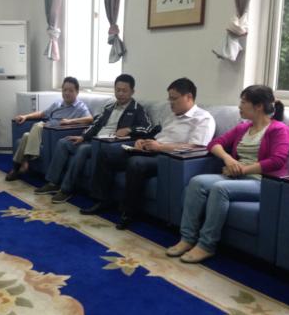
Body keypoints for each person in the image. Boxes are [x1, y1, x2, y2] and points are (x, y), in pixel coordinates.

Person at [166, 85, 289, 263]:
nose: (239, 106)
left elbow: (277, 160)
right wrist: (228, 159)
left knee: (220, 188)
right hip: (237, 176)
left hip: (262, 182)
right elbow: (215, 144)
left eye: (244, 102)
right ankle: (187, 238)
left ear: (258, 106)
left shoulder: (279, 129)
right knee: (197, 182)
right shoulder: (243, 128)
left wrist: (241, 169)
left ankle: (206, 245)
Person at [81, 77, 216, 231]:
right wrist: (143, 141)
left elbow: (196, 147)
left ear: (189, 97)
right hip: (153, 148)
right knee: (107, 153)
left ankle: (128, 212)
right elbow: (157, 134)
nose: (170, 103)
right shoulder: (172, 115)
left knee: (136, 163)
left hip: (169, 158)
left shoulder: (203, 118)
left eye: (174, 99)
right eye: (169, 98)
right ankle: (102, 200)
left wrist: (161, 147)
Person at [34, 74, 152, 203]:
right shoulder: (109, 107)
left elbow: (148, 128)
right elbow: (95, 125)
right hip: (94, 139)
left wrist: (129, 129)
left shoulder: (137, 109)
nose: (120, 94)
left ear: (132, 92)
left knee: (83, 149)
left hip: (107, 145)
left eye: (124, 91)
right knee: (64, 142)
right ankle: (52, 183)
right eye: (118, 90)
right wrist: (82, 137)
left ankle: (66, 189)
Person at [6, 77, 93, 181]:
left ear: (77, 92)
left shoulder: (80, 107)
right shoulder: (57, 103)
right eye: (64, 90)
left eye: (71, 90)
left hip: (54, 135)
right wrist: (25, 116)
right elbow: (42, 114)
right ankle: (19, 166)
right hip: (44, 131)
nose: (67, 93)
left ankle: (23, 163)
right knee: (27, 135)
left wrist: (70, 121)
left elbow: (90, 119)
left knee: (37, 127)